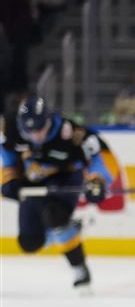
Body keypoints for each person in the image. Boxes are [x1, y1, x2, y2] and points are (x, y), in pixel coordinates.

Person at [1, 97, 118, 290]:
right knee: (30, 243)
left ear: (48, 120)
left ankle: (78, 267)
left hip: (65, 179)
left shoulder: (71, 133)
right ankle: (68, 228)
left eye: (40, 129)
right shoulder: (9, 128)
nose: (36, 136)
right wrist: (9, 179)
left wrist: (97, 179)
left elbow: (104, 156)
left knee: (55, 215)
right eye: (30, 131)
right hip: (32, 181)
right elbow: (7, 155)